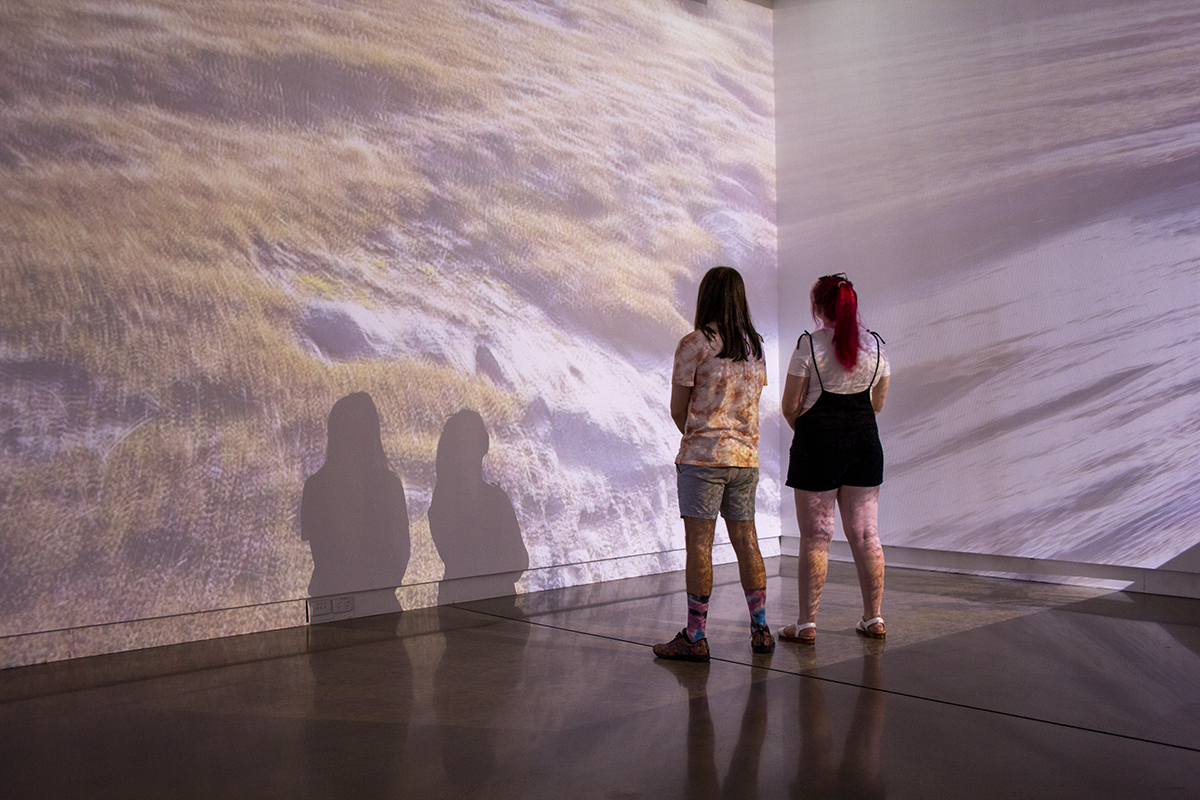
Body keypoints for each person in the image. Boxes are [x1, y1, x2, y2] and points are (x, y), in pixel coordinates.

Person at [654, 266, 774, 662]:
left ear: (707, 296)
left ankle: (695, 635)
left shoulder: (694, 343)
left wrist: (701, 436)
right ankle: (760, 629)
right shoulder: (755, 347)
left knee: (700, 546)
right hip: (745, 460)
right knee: (748, 541)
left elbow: (678, 410)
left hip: (704, 459)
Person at [779, 273, 890, 644]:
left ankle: (806, 625)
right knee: (867, 534)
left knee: (816, 537)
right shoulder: (876, 347)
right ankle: (874, 618)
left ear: (818, 306)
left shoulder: (809, 347)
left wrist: (813, 433)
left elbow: (790, 406)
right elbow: (876, 403)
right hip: (864, 444)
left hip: (818, 447)